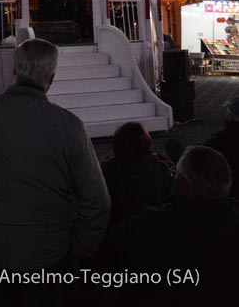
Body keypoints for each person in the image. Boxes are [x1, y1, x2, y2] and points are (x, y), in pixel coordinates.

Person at [0, 38, 110, 306]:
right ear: (51, 79)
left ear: (14, 71)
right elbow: (97, 201)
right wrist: (79, 247)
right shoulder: (69, 127)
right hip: (48, 254)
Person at [105, 145, 239, 304]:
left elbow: (113, 245)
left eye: (175, 174)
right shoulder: (232, 222)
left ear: (184, 184)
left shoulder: (148, 225)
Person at [100, 121, 174, 227]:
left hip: (120, 234)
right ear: (148, 144)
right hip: (158, 231)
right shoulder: (163, 170)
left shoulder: (107, 172)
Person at [165, 94, 239, 198]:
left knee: (171, 145)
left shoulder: (223, 139)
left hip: (219, 184)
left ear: (231, 116)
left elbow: (199, 155)